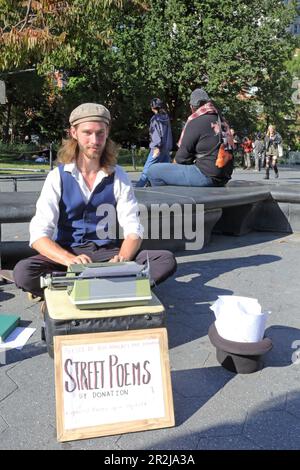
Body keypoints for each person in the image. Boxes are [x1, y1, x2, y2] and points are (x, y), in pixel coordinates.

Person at [13, 103, 177, 299]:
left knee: (165, 260)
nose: (95, 140)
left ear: (107, 132)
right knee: (23, 272)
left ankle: (70, 288)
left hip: (108, 253)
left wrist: (122, 260)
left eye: (100, 133)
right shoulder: (57, 177)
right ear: (73, 132)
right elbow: (39, 235)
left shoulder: (118, 176)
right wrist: (70, 260)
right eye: (87, 133)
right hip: (69, 253)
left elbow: (133, 229)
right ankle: (114, 287)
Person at [147, 88, 234, 187]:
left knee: (153, 171)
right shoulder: (222, 120)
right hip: (224, 176)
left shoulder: (196, 121)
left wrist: (173, 168)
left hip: (207, 176)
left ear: (192, 107)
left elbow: (182, 158)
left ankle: (171, 200)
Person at [135, 98, 173, 187]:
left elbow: (155, 134)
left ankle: (138, 189)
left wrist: (156, 147)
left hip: (157, 149)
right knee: (165, 171)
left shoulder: (155, 119)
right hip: (166, 149)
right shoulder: (166, 118)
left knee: (147, 169)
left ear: (152, 108)